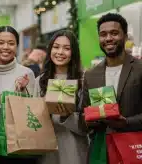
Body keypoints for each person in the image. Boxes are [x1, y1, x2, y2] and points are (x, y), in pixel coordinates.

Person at [83, 13, 142, 161]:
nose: (108, 38)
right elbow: (84, 112)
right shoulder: (91, 75)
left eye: (114, 33)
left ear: (125, 36)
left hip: (133, 148)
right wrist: (88, 120)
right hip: (101, 150)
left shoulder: (139, 69)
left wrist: (127, 123)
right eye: (103, 34)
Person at [33, 30, 88, 164]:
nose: (60, 52)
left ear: (73, 52)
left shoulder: (83, 80)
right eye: (56, 47)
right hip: (46, 150)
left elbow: (89, 123)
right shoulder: (40, 81)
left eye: (66, 48)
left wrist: (67, 115)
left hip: (74, 149)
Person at [0, 26, 36, 164]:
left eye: (11, 43)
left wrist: (23, 92)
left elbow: (31, 112)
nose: (6, 47)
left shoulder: (27, 74)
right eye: (1, 42)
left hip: (16, 145)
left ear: (17, 46)